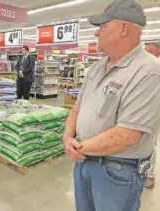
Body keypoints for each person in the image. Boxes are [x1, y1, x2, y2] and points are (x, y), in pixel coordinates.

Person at [63, 1, 160, 211]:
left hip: (117, 173)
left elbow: (127, 135)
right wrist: (68, 138)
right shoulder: (97, 67)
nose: (97, 33)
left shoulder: (148, 71)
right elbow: (77, 107)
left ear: (124, 28)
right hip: (84, 162)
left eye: (103, 26)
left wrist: (77, 147)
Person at [144, 41, 160, 189]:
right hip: (135, 112)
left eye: (149, 52)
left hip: (152, 114)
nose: (146, 54)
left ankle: (149, 175)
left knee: (150, 143)